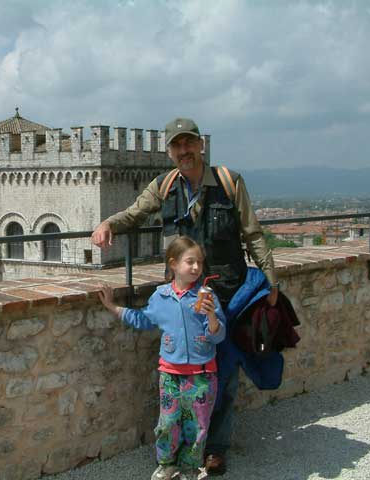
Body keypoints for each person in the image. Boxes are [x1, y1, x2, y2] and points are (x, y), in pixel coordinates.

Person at [91, 117, 279, 475]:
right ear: (170, 151)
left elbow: (253, 233)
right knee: (183, 377)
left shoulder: (228, 182)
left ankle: (215, 448)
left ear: (200, 146)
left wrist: (271, 281)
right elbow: (134, 213)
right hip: (180, 298)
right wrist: (107, 225)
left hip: (226, 293)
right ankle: (180, 449)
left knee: (223, 373)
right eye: (177, 146)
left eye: (189, 143)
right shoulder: (163, 186)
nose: (184, 151)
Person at [99, 236, 226, 480]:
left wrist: (211, 317)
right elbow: (142, 319)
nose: (196, 268)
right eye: (190, 262)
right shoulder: (161, 297)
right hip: (170, 375)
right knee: (168, 423)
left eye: (199, 262)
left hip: (202, 375)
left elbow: (219, 336)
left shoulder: (206, 296)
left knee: (197, 426)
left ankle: (190, 467)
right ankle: (167, 464)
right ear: (173, 264)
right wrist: (113, 307)